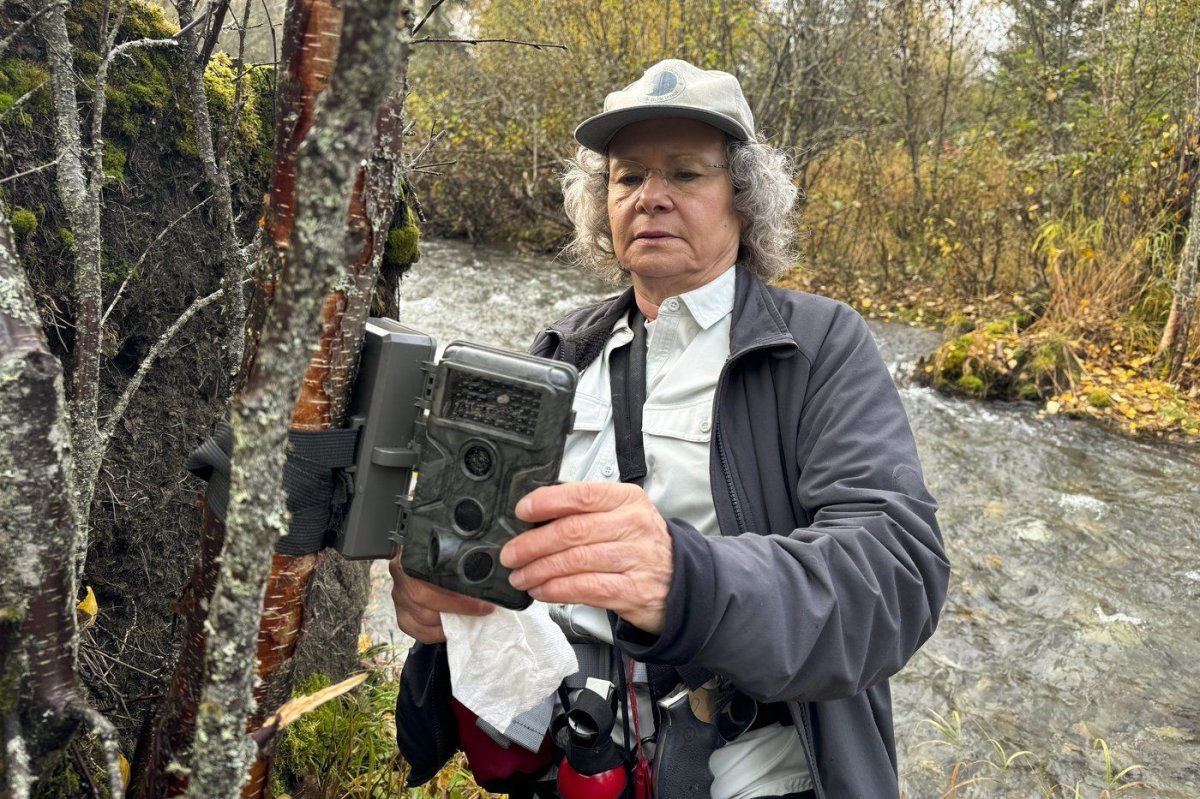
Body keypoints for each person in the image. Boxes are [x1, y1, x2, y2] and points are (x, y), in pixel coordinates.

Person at [390, 58, 949, 798]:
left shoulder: (818, 346)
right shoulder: (561, 350)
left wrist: (688, 582)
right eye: (627, 177)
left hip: (747, 776)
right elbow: (492, 549)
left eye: (685, 174)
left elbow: (897, 576)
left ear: (743, 200)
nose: (650, 197)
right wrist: (441, 599)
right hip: (567, 766)